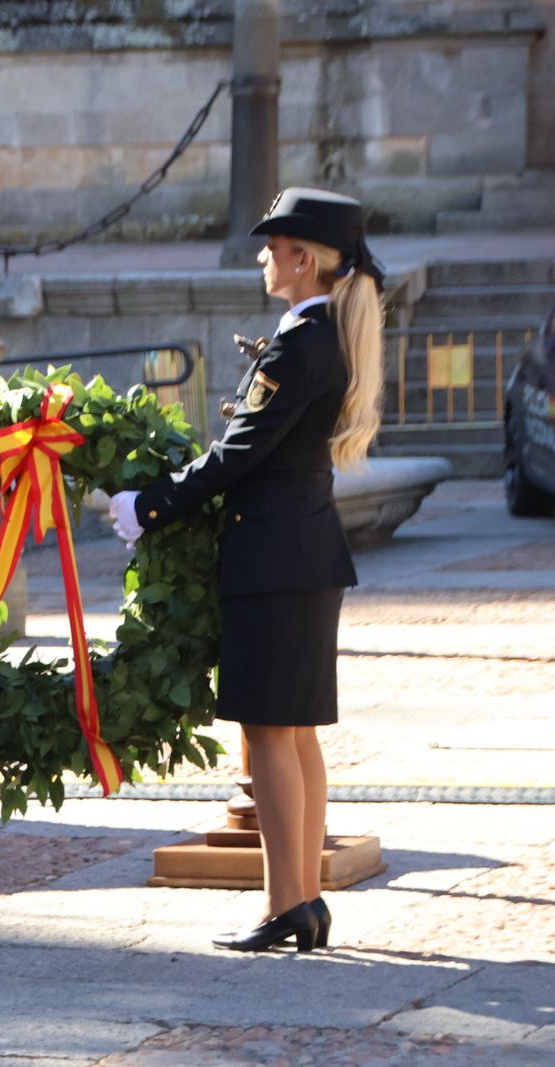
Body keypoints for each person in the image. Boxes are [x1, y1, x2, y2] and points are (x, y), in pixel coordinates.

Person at [109, 188, 384, 953]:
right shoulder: (326, 333)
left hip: (273, 557)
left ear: (303, 258)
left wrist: (151, 505)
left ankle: (282, 904)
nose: (263, 256)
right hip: (303, 552)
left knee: (269, 734)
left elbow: (239, 454)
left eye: (273, 246)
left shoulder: (301, 342)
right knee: (295, 735)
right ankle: (303, 899)